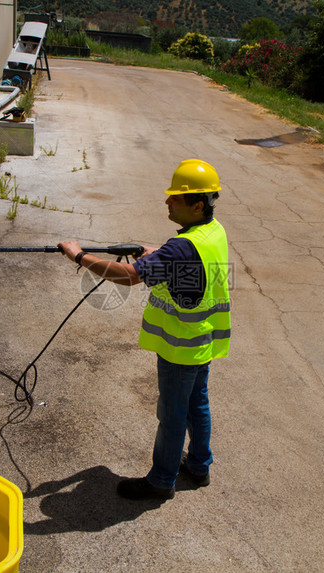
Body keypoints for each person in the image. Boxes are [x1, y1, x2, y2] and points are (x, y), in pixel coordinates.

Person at [58, 158, 231, 501]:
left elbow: (128, 276)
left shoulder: (181, 247)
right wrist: (157, 254)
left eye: (175, 199)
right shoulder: (212, 232)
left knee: (172, 415)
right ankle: (199, 467)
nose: (167, 202)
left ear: (198, 205)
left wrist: (78, 257)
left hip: (180, 347)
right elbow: (186, 262)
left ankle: (161, 481)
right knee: (197, 404)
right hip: (203, 341)